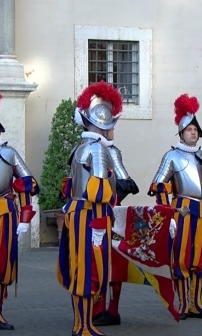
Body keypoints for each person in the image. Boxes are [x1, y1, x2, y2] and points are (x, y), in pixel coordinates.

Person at [148, 93, 202, 320]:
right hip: (182, 211)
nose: (193, 132)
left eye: (195, 129)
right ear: (182, 133)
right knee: (182, 258)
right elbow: (158, 185)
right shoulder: (172, 156)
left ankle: (197, 303)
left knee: (201, 257)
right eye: (189, 130)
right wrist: (168, 214)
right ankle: (183, 304)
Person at [57, 81, 122, 336]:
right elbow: (96, 190)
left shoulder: (79, 147)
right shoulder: (97, 149)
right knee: (88, 271)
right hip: (91, 216)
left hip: (78, 213)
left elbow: (70, 186)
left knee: (80, 269)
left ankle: (82, 323)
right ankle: (83, 326)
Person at [0, 87, 39, 331]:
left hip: (6, 213)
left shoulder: (10, 153)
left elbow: (27, 183)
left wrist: (25, 217)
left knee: (2, 262)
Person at [92, 126, 139, 327]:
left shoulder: (112, 151)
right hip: (89, 215)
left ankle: (112, 310)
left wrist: (111, 197)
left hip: (111, 214)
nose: (112, 130)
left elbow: (127, 182)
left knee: (113, 265)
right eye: (108, 127)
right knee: (93, 263)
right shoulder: (87, 149)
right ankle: (95, 309)